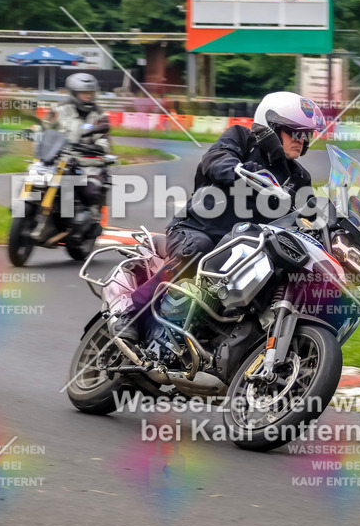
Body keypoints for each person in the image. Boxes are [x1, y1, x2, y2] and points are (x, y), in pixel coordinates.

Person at [113, 91, 326, 343]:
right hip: (197, 230)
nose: (302, 140)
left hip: (245, 251)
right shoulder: (242, 139)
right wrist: (241, 171)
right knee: (198, 250)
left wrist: (333, 223)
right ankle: (132, 315)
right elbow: (216, 159)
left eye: (306, 135)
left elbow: (309, 215)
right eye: (296, 133)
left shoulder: (298, 178)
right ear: (271, 128)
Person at [44, 73, 112, 242]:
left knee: (90, 190)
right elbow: (44, 127)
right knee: (36, 174)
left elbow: (104, 139)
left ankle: (88, 221)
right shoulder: (59, 109)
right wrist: (35, 134)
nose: (88, 97)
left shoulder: (99, 115)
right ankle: (27, 207)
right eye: (84, 93)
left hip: (87, 160)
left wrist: (98, 147)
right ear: (73, 93)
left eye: (91, 93)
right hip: (59, 157)